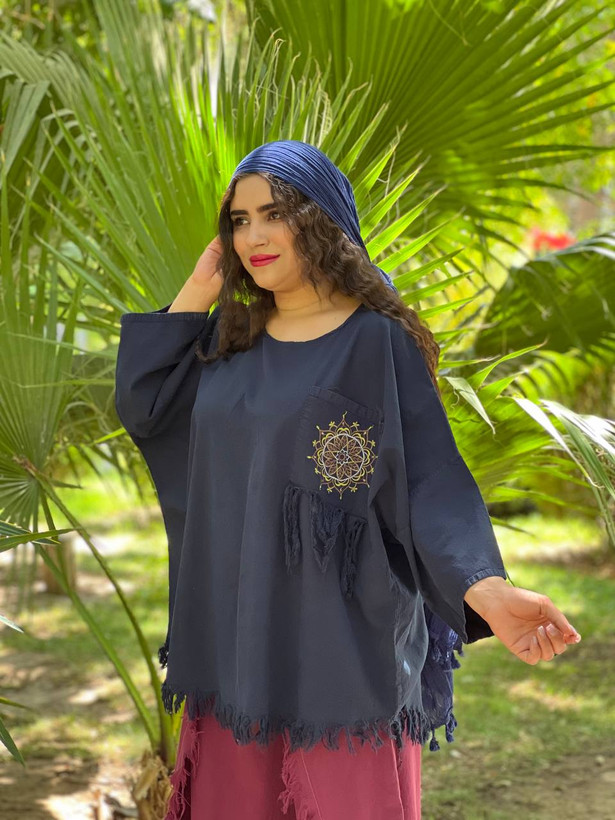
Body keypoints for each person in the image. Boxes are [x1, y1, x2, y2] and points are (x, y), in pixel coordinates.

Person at [114, 140, 582, 820]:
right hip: (234, 637)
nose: (252, 237)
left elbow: (425, 481)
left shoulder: (374, 341)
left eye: (274, 214)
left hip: (337, 649)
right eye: (239, 221)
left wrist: (487, 589)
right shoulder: (228, 339)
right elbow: (146, 405)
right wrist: (198, 288)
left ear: (319, 218)